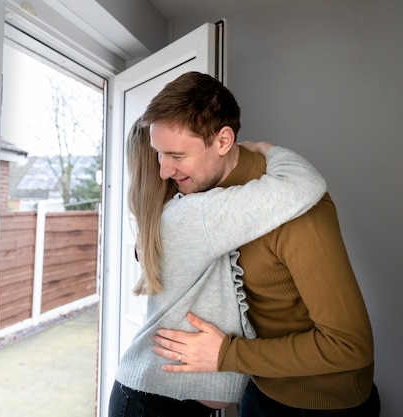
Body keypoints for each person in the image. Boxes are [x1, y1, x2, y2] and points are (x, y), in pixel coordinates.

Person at [147, 71, 380, 417]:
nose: (164, 170)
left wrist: (227, 354)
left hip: (321, 403)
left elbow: (350, 346)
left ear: (223, 141)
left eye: (177, 156)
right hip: (259, 387)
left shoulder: (296, 211)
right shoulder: (200, 194)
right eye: (159, 154)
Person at [108, 118, 327, 417]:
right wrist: (265, 148)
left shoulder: (171, 219)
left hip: (153, 396)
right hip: (156, 403)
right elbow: (304, 183)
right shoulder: (194, 216)